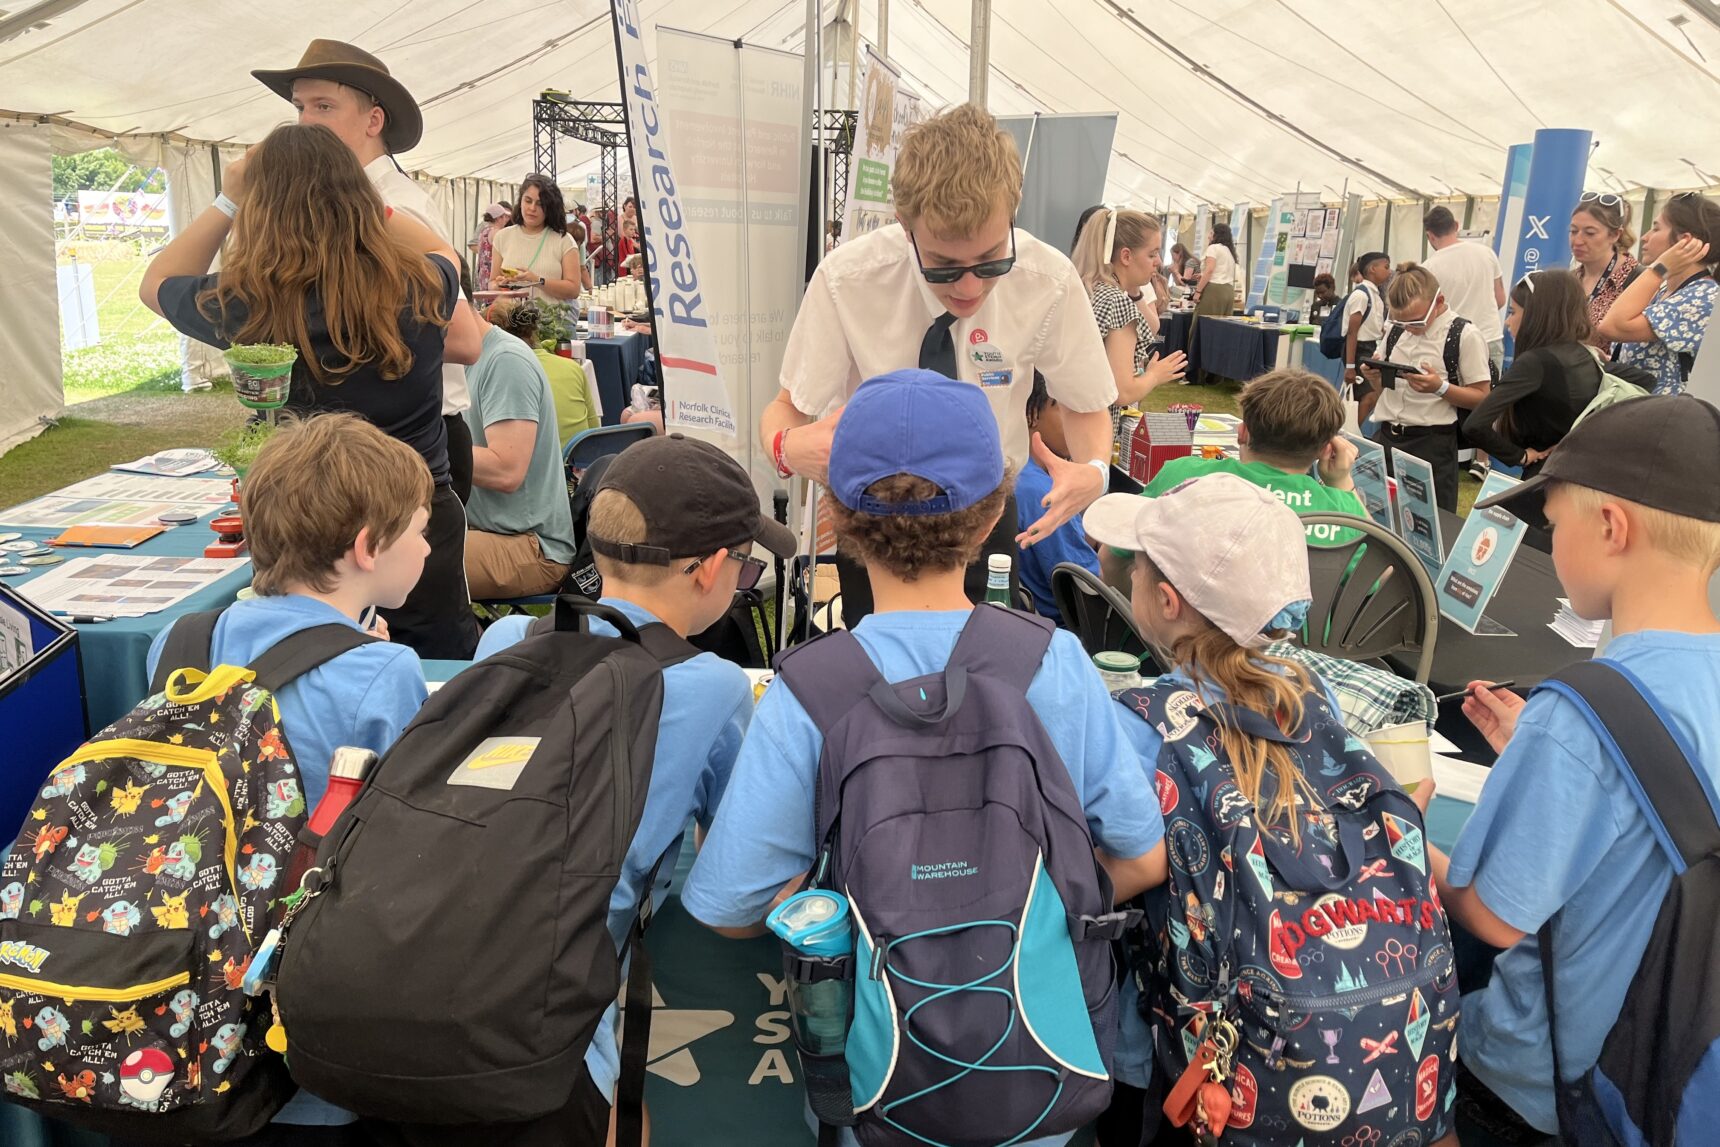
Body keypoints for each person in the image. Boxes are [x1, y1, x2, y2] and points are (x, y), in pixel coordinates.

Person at [682, 371, 1167, 1147]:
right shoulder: (1054, 661)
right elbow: (1142, 856)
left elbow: (734, 906)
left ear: (837, 518)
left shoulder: (813, 688)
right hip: (1040, 1077)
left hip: (879, 1091)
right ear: (990, 520)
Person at [1086, 473, 1457, 1147]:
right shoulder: (1313, 691)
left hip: (1222, 1057)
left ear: (1165, 601)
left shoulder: (1143, 725)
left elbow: (1120, 867)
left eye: (1136, 566)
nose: (1129, 574)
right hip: (1385, 1029)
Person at [471, 434, 795, 1147]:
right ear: (711, 569)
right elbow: (740, 867)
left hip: (435, 961)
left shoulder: (506, 643)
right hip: (550, 1018)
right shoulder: (710, 687)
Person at [1424, 396, 1720, 1143]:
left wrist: (1403, 830)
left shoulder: (1581, 716)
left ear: (1612, 526)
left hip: (1538, 1086)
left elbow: (1493, 912)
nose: (1547, 544)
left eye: (1553, 526)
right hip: (1667, 1072)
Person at [145, 412, 432, 1144]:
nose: (428, 546)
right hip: (295, 1016)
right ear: (368, 546)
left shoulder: (178, 641)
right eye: (420, 531)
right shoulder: (385, 672)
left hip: (177, 983)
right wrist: (366, 659)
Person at [762, 103, 1117, 623]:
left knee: (989, 670)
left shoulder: (1049, 279)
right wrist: (790, 448)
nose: (970, 287)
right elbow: (787, 410)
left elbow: (1087, 404)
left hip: (989, 516)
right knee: (877, 676)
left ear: (1013, 212)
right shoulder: (849, 280)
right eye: (945, 267)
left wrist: (1094, 472)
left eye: (992, 259)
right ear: (905, 227)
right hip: (876, 520)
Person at [140, 123, 482, 660]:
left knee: (310, 669)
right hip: (410, 518)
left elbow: (156, 282)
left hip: (302, 521)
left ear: (262, 207)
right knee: (438, 671)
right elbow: (445, 253)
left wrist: (230, 196)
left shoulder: (242, 300)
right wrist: (369, 208)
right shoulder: (419, 282)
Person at [253, 38, 478, 504]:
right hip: (365, 442)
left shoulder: (395, 207)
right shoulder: (334, 206)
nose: (306, 122)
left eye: (324, 106)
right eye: (300, 107)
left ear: (374, 120)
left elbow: (463, 340)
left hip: (408, 446)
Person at [1137, 368, 1365, 547]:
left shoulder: (1182, 474)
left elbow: (1117, 554)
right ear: (1326, 448)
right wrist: (1343, 484)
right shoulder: (1343, 513)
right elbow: (1384, 580)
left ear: (1242, 432)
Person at [460, 303, 578, 599]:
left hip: (533, 546)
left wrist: (421, 449)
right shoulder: (459, 361)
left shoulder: (505, 360)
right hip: (491, 532)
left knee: (400, 565)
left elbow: (506, 470)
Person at [1360, 263, 1493, 512]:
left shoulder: (1464, 334)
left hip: (1431, 444)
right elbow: (1385, 394)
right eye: (1400, 322)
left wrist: (1440, 388)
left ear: (1439, 301)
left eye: (1417, 322)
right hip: (1386, 436)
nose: (1410, 329)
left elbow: (1483, 398)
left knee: (1429, 525)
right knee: (1376, 517)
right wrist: (1376, 377)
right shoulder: (1396, 331)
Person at [1463, 270, 1603, 478]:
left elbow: (1474, 425)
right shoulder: (1585, 354)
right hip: (1581, 470)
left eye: (1513, 312)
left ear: (1535, 315)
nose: (1508, 321)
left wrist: (1520, 456)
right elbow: (1642, 378)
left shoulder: (1535, 362)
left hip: (1544, 475)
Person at [1599, 192, 1720, 395]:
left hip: (1665, 419)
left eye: (1655, 228)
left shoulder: (1704, 297)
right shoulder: (1667, 290)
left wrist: (1659, 269)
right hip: (1640, 412)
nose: (1645, 237)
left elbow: (1612, 326)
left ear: (1685, 241)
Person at [1072, 207, 1189, 417]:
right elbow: (1123, 391)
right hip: (1101, 429)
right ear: (1126, 256)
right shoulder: (1118, 303)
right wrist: (1154, 375)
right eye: (1152, 254)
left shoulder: (1089, 291)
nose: (1158, 262)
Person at [1017, 373, 1100, 624]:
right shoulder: (1043, 492)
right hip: (1063, 629)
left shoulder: (1016, 471)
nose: (1078, 424)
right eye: (1065, 410)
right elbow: (1089, 586)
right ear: (1031, 414)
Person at [490, 297, 598, 449]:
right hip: (579, 464)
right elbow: (594, 429)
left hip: (541, 466)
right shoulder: (573, 368)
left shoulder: (501, 376)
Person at [1423, 204, 1507, 370]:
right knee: (1492, 394)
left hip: (1453, 341)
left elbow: (1428, 314)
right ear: (1456, 225)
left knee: (1460, 394)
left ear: (1430, 235)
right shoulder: (1487, 253)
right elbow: (1500, 299)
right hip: (1489, 337)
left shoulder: (1428, 268)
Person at [491, 173, 584, 302]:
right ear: (520, 201)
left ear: (550, 207)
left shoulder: (564, 241)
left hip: (552, 320)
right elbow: (492, 282)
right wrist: (500, 285)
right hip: (510, 318)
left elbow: (573, 290)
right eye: (528, 201)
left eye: (540, 204)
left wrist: (537, 281)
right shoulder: (502, 237)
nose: (532, 208)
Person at [1569, 192, 1641, 356]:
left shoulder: (1636, 280)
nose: (1578, 241)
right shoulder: (1571, 280)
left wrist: (1609, 360)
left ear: (1615, 235)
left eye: (1590, 233)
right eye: (1573, 231)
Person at [1189, 222, 1238, 383]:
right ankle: (1216, 375)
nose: (1208, 236)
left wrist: (1198, 291)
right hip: (1228, 292)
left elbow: (1210, 271)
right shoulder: (1230, 252)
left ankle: (1195, 374)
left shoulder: (1213, 248)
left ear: (1215, 234)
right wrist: (1202, 277)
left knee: (1200, 329)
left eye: (1210, 233)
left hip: (1214, 291)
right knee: (1220, 333)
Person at [1342, 251, 1392, 392]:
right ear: (1373, 269)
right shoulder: (1361, 295)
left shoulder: (1376, 295)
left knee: (1373, 393)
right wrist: (1350, 367)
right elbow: (1352, 333)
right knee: (1367, 396)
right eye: (1386, 267)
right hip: (1359, 349)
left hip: (1371, 348)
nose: (1389, 272)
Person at [474, 201, 510, 292]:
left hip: (483, 274)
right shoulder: (497, 233)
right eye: (504, 217)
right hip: (493, 275)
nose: (506, 219)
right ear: (498, 218)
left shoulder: (483, 232)